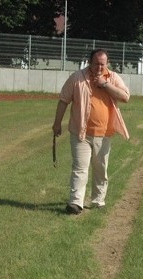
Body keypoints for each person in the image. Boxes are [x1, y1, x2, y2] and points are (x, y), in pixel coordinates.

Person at [52, 48, 130, 215]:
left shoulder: (113, 78)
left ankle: (98, 200)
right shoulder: (77, 78)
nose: (99, 67)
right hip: (81, 132)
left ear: (107, 63)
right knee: (80, 167)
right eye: (96, 64)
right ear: (90, 63)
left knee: (100, 168)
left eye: (102, 64)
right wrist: (57, 123)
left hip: (104, 133)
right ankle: (75, 203)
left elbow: (125, 97)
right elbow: (63, 100)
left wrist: (105, 84)